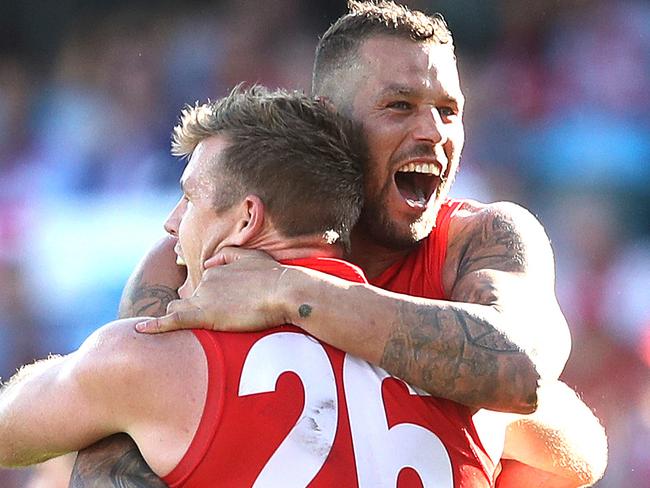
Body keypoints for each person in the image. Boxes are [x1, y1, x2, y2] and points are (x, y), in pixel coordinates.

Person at [70, 1, 607, 486]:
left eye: (449, 111)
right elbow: (117, 427)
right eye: (400, 106)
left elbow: (521, 372)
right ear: (331, 118)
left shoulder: (481, 238)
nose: (433, 132)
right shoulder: (198, 248)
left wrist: (290, 293)